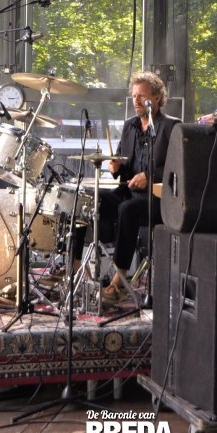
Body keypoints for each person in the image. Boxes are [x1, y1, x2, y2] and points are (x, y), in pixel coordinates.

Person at [73, 71, 178, 303]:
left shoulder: (171, 127)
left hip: (159, 199)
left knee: (127, 210)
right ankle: (76, 270)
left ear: (157, 97)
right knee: (86, 201)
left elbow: (180, 168)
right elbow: (125, 167)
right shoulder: (130, 126)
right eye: (134, 96)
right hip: (130, 192)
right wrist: (116, 166)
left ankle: (117, 284)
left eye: (142, 96)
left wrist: (150, 176)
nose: (136, 100)